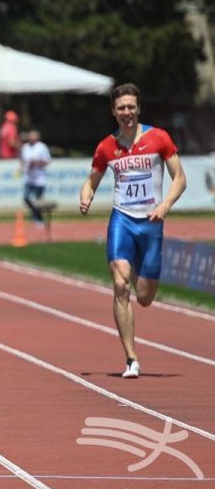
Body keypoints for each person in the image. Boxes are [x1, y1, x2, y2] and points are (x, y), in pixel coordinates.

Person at [79, 83, 186, 379]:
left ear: (138, 109)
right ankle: (131, 358)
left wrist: (164, 205)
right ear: (113, 112)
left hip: (151, 223)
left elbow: (180, 178)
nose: (126, 112)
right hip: (122, 220)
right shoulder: (106, 147)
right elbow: (91, 180)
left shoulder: (158, 138)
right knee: (120, 285)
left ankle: (138, 269)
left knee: (145, 297)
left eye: (131, 107)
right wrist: (86, 194)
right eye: (121, 108)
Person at [19, 129, 51, 225]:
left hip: (39, 178)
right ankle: (35, 215)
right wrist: (21, 168)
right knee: (26, 197)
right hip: (28, 177)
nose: (31, 138)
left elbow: (46, 161)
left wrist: (36, 162)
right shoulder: (25, 147)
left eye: (33, 136)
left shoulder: (42, 147)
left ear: (37, 137)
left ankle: (38, 218)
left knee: (38, 200)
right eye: (30, 136)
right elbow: (22, 159)